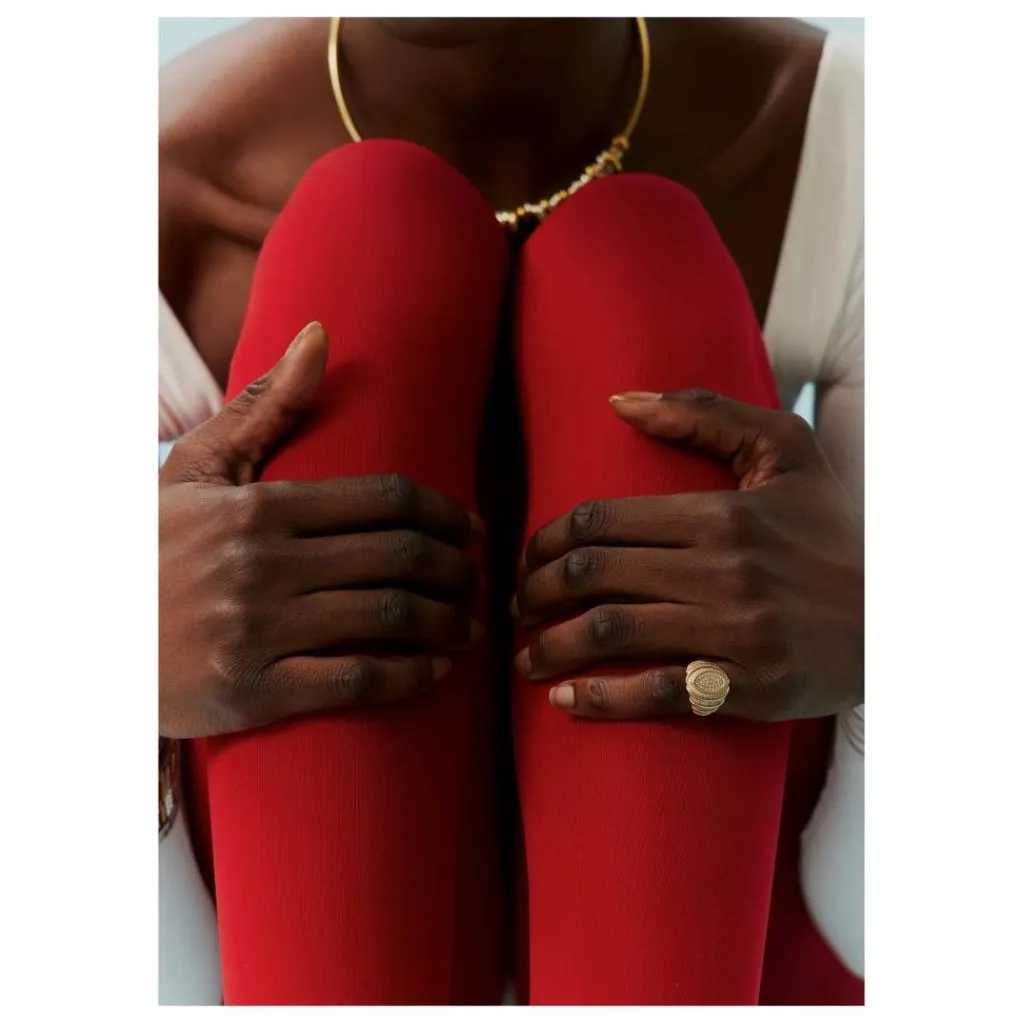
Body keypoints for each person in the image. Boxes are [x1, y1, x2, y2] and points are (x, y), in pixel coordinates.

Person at [158, 16, 864, 1006]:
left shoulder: (858, 141)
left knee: (637, 277)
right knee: (365, 242)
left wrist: (878, 642)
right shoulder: (148, 184)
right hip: (236, 931)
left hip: (769, 917)